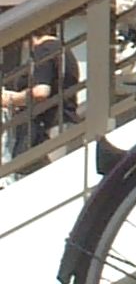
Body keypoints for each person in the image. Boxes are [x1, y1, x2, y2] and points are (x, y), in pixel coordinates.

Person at [1, 29, 80, 177]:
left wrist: (11, 99)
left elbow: (41, 92)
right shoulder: (61, 49)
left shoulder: (44, 49)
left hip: (49, 126)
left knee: (45, 177)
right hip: (62, 121)